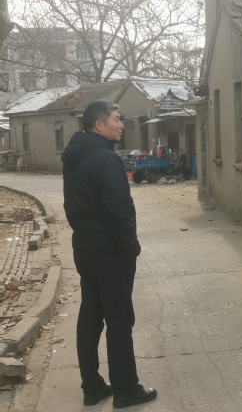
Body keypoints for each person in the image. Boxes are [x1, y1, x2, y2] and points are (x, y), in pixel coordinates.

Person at [61, 100, 157, 408]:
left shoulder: (74, 157)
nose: (121, 124)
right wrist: (130, 247)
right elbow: (119, 210)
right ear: (99, 124)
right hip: (110, 251)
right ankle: (126, 388)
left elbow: (71, 204)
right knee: (119, 320)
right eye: (116, 119)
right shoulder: (106, 158)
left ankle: (92, 386)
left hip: (85, 248)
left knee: (90, 316)